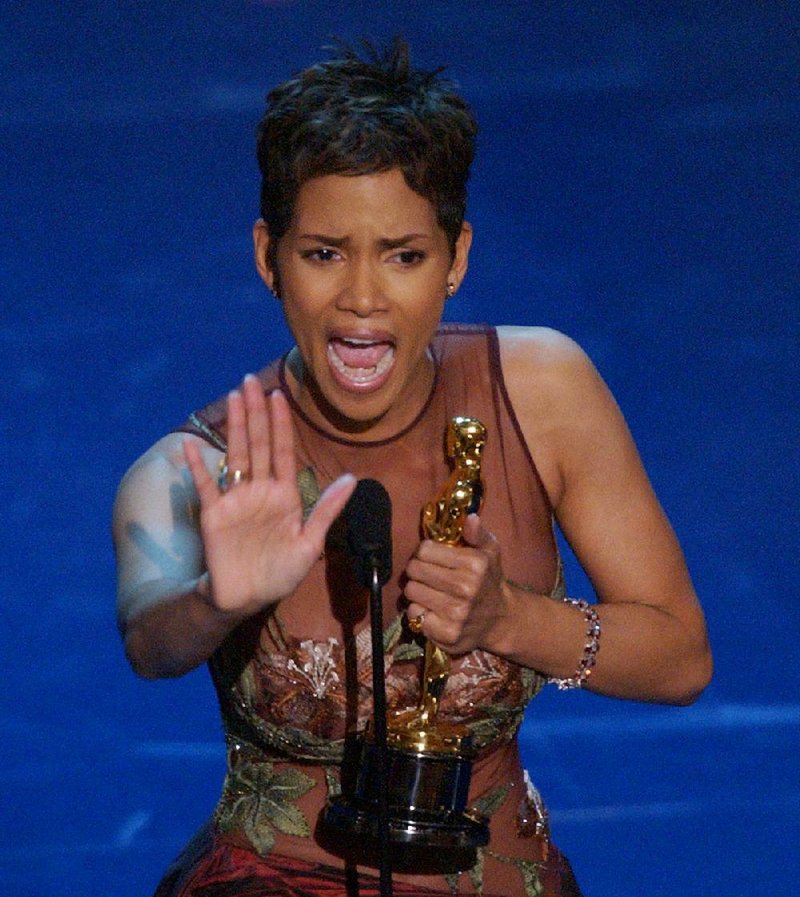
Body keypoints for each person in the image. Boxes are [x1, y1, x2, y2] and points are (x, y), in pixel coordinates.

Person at [113, 40, 712, 897]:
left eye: (403, 254)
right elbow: (149, 640)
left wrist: (510, 619)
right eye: (323, 253)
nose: (363, 296)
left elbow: (681, 656)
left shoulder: (544, 391)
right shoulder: (192, 467)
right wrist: (219, 600)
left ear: (456, 259)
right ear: (268, 257)